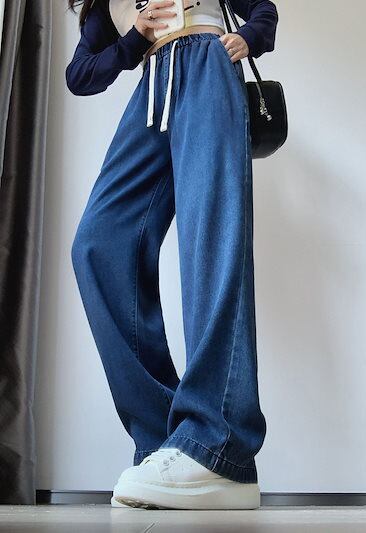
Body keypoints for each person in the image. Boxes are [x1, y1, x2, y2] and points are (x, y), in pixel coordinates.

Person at [66, 0, 278, 510]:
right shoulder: (105, 5)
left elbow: (262, 10)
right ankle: (166, 439)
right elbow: (81, 75)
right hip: (153, 88)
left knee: (211, 243)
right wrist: (134, 39)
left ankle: (219, 447)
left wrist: (249, 37)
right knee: (98, 244)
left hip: (207, 65)